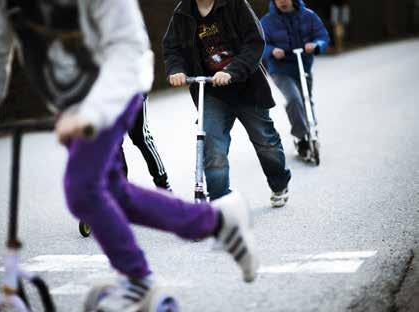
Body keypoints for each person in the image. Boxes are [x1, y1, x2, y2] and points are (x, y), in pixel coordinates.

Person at [0, 0, 259, 310]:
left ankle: (138, 279)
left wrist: (94, 113)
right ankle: (218, 220)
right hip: (72, 104)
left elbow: (126, 45)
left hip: (117, 87)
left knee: (82, 189)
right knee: (114, 193)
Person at [163, 0, 291, 207]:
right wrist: (175, 70)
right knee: (212, 148)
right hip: (212, 93)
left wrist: (231, 71)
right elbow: (172, 49)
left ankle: (278, 184)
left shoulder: (235, 4)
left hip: (247, 86)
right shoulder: (183, 12)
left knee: (265, 142)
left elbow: (255, 42)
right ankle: (221, 203)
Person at [260, 0, 329, 159]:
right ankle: (301, 137)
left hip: (303, 66)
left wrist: (316, 45)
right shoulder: (267, 22)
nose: (282, 1)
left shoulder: (308, 16)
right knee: (293, 99)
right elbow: (260, 44)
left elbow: (322, 36)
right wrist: (272, 51)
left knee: (306, 99)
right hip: (280, 70)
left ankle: (311, 128)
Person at [122, 94, 172, 191]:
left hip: (133, 90)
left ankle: (163, 185)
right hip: (106, 95)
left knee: (141, 137)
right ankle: (120, 188)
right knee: (113, 144)